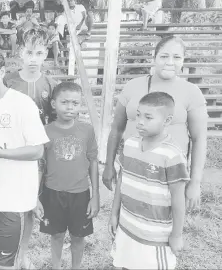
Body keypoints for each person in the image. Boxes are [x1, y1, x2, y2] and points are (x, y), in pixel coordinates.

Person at [102, 36, 208, 211]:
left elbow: (199, 139)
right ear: (155, 58)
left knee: (162, 224)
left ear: (183, 60)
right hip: (133, 168)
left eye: (177, 57)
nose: (170, 62)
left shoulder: (191, 92)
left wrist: (195, 183)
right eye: (164, 56)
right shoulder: (132, 86)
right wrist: (108, 165)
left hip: (169, 175)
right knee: (130, 215)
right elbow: (116, 129)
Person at [0, 45, 49, 270]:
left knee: (4, 264)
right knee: (0, 257)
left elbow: (37, 150)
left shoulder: (22, 104)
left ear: (2, 72)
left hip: (14, 201)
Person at [109, 92, 188, 269]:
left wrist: (176, 235)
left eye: (148, 117)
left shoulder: (173, 155)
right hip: (127, 226)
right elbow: (122, 181)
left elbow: (178, 199)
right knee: (125, 264)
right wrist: (114, 214)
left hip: (154, 237)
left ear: (167, 121)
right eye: (138, 115)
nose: (140, 121)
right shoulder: (130, 144)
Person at [38, 82, 99, 269]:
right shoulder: (45, 131)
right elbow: (40, 166)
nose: (70, 107)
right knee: (56, 235)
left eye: (75, 103)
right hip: (52, 192)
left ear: (80, 105)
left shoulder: (87, 130)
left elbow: (93, 162)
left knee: (78, 237)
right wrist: (35, 196)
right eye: (65, 102)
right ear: (54, 104)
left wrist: (95, 196)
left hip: (80, 194)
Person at [4, 28, 59, 125]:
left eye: (39, 53)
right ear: (21, 52)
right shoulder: (7, 82)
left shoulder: (52, 85)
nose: (33, 59)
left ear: (45, 54)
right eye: (29, 53)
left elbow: (55, 120)